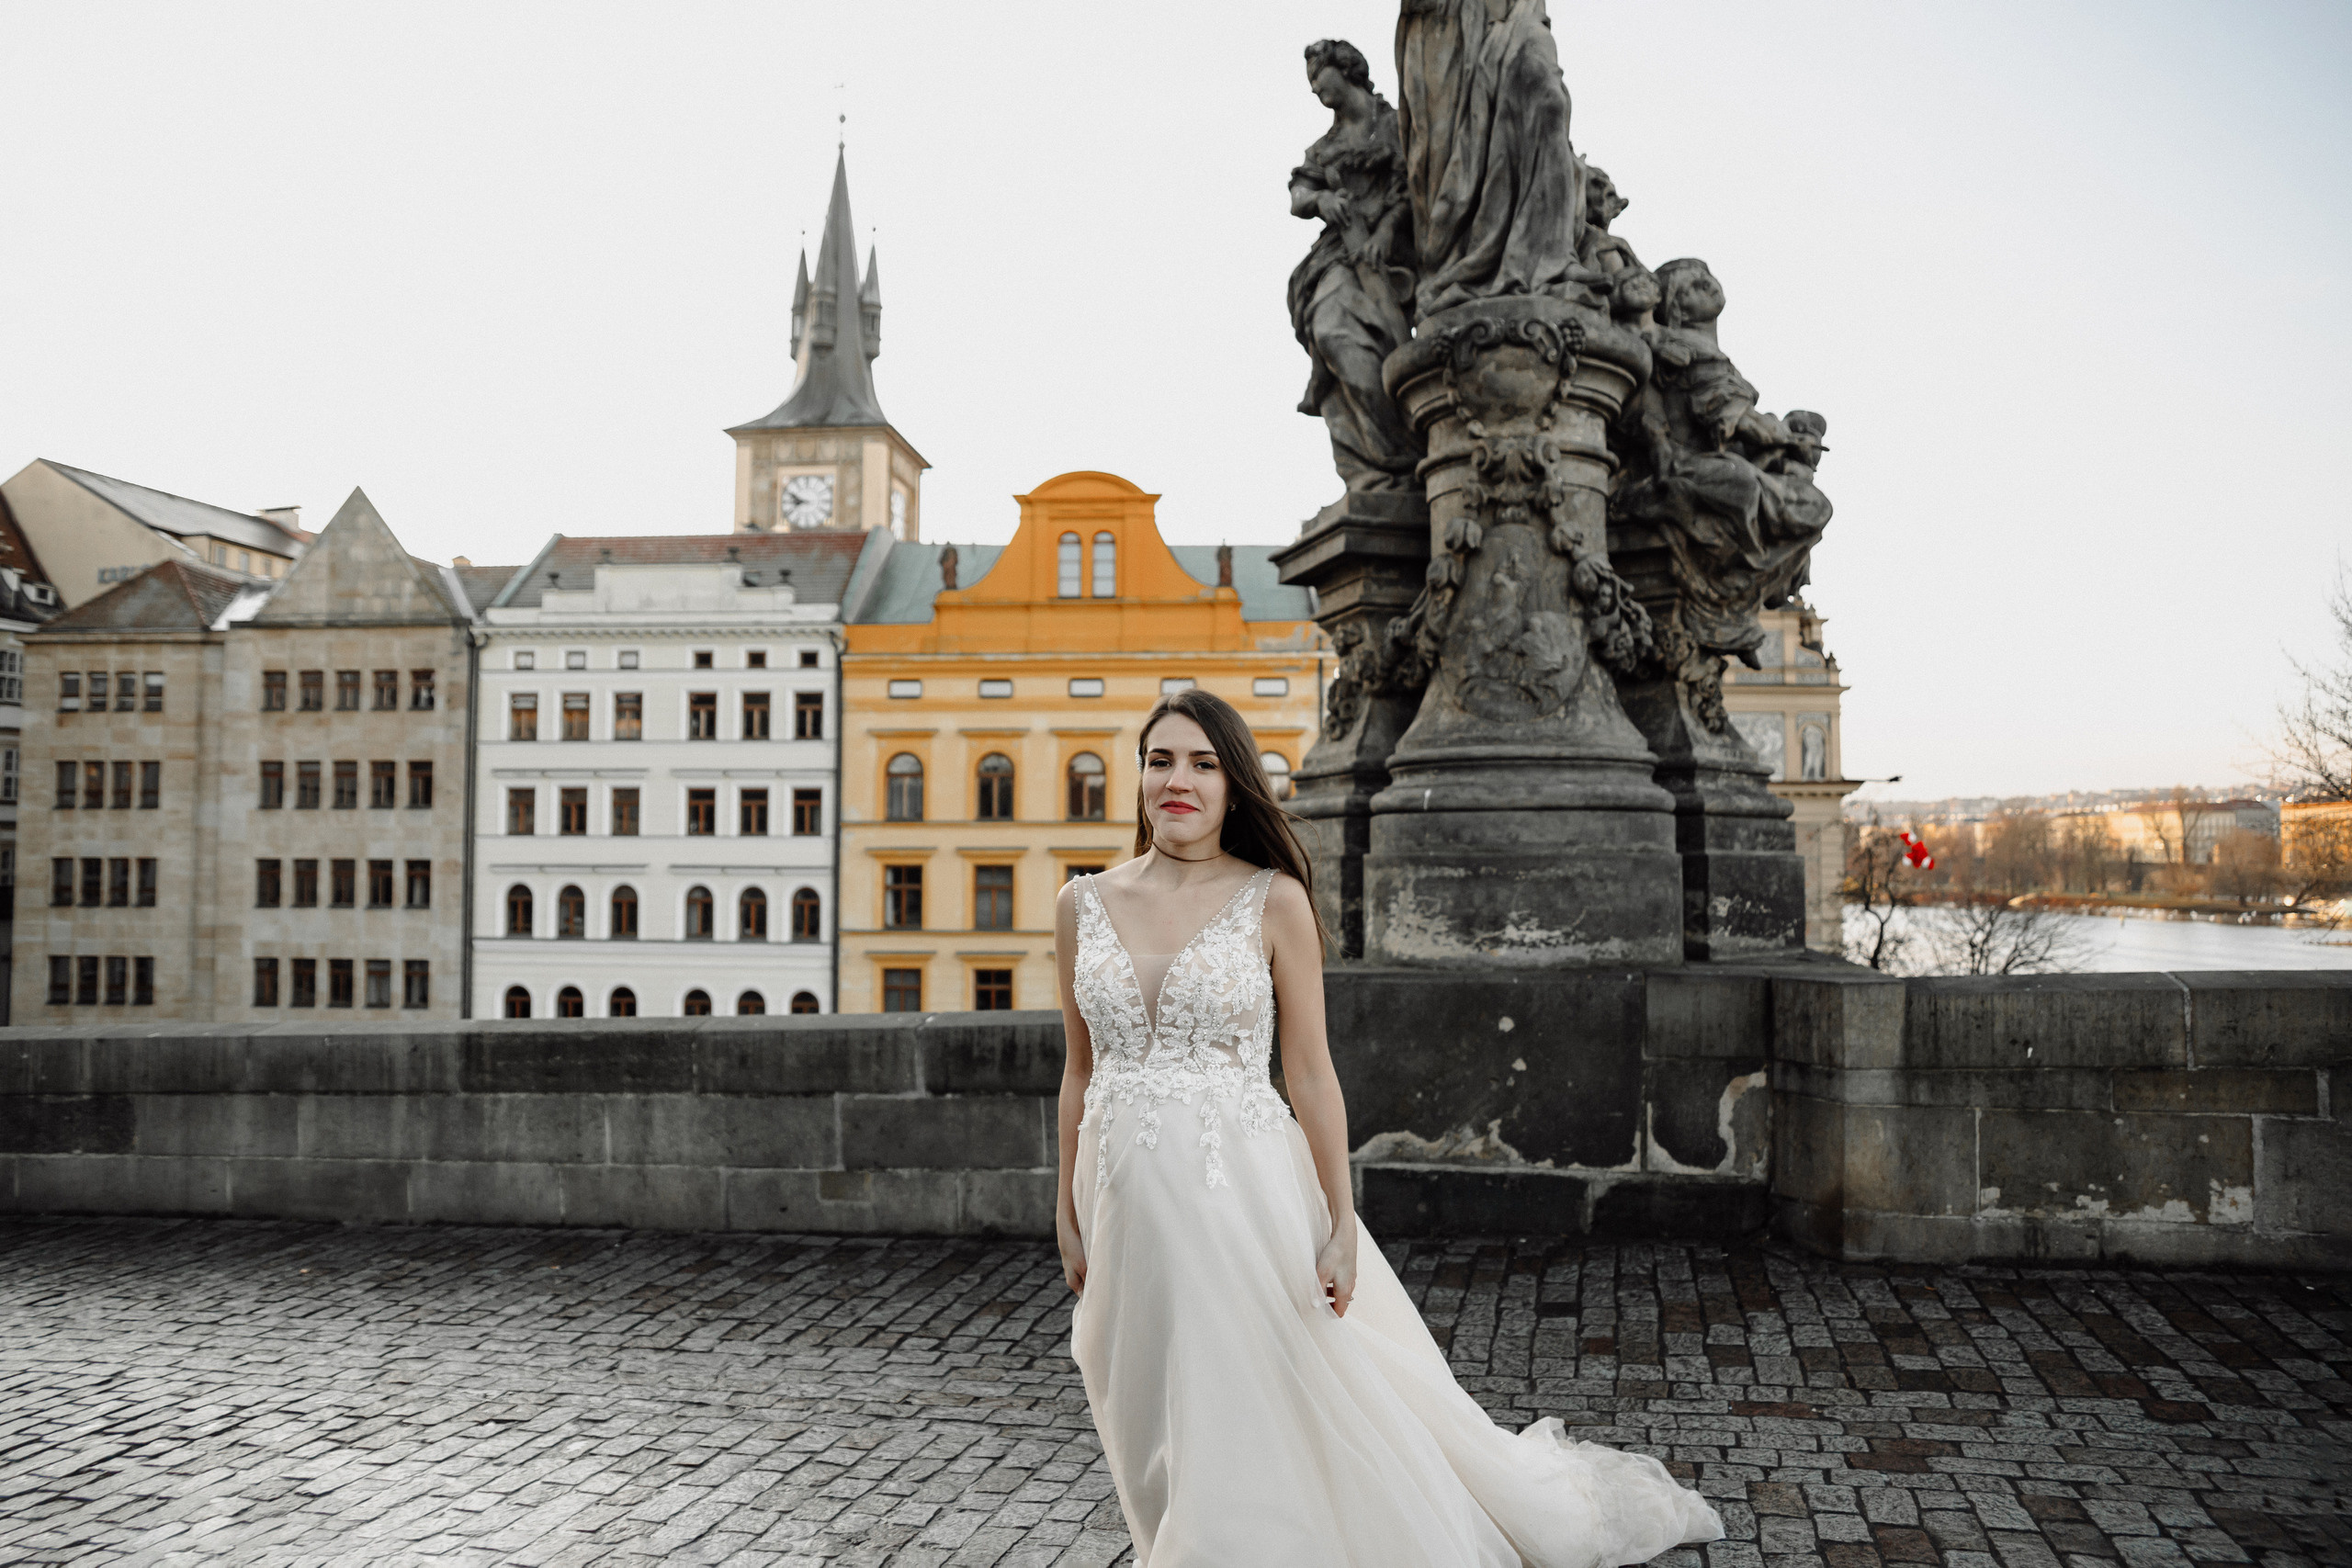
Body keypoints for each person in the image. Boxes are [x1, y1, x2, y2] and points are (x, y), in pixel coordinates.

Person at [1053, 687, 1724, 1566]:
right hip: (1120, 1202)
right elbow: (1077, 1070)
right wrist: (1062, 1211)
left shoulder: (1273, 900)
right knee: (1143, 1397)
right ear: (1140, 775)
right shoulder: (1080, 905)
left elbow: (1310, 1070)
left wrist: (1339, 1224)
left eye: (1204, 764)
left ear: (1233, 784)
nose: (1179, 780)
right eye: (1161, 759)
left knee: (1238, 1391)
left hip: (1239, 1196)